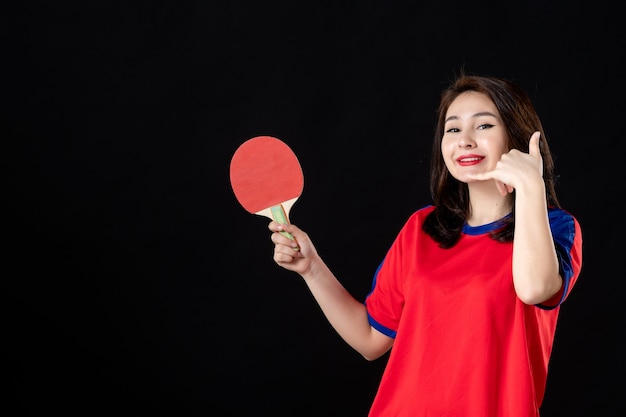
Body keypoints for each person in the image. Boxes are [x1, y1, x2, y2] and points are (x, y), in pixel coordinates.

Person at [267, 72, 583, 416]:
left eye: (484, 126)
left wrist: (531, 188)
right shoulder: (421, 228)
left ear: (515, 135)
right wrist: (311, 267)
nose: (464, 140)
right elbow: (371, 340)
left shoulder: (556, 228)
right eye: (453, 128)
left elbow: (535, 289)